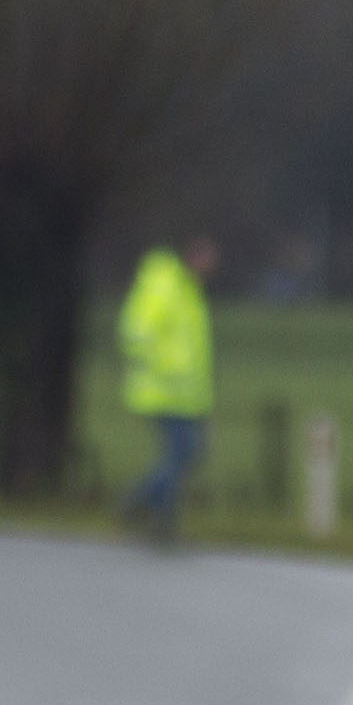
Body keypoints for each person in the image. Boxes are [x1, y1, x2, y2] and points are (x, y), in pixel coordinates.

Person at [117, 234, 217, 546]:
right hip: (163, 392)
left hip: (185, 396)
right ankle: (160, 519)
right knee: (179, 456)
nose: (211, 267)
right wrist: (158, 366)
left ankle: (142, 502)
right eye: (208, 259)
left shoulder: (189, 292)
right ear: (193, 255)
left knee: (188, 454)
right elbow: (136, 330)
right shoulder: (167, 286)